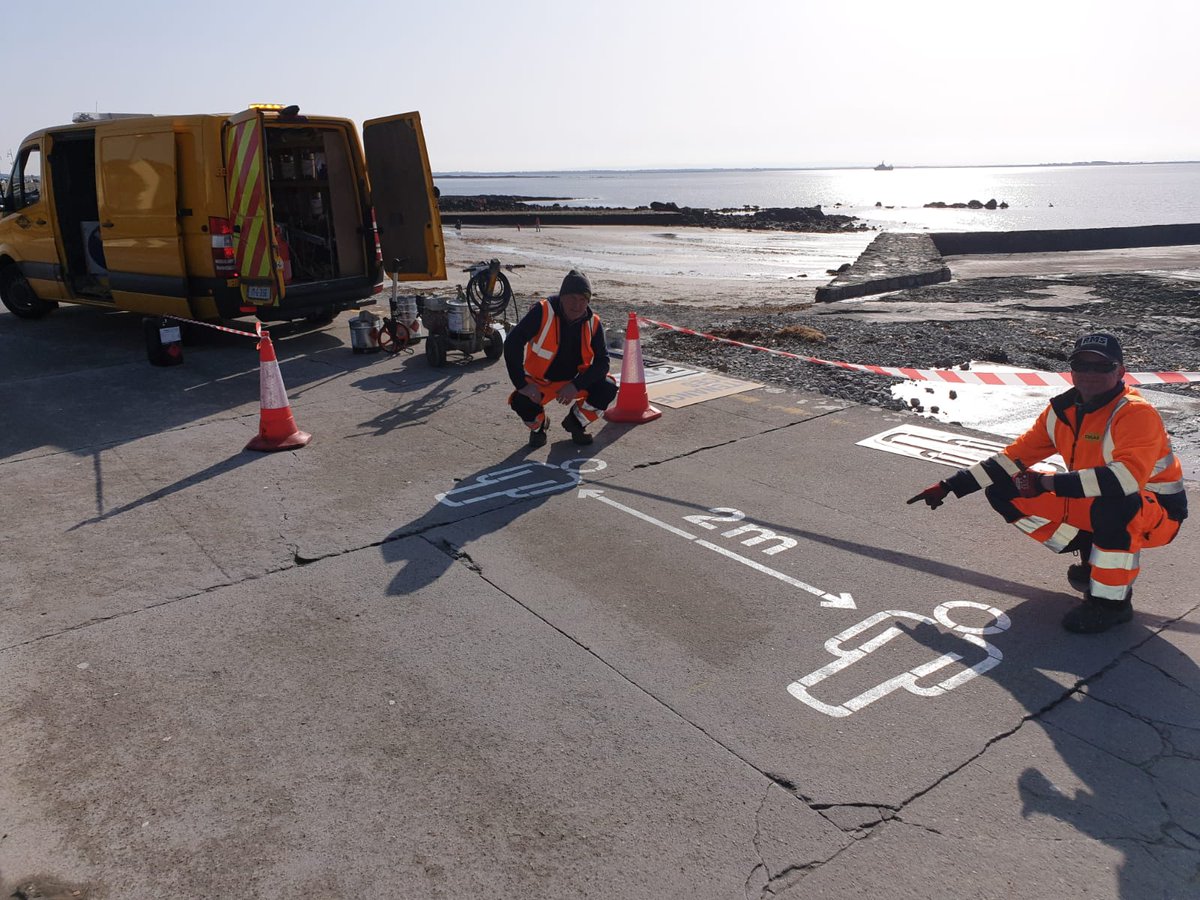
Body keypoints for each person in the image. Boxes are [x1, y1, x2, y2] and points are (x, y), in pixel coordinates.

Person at [907, 333, 1188, 634]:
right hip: (1097, 498)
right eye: (1082, 365)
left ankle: (1111, 605)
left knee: (1115, 505)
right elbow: (1010, 459)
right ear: (1072, 370)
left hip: (1155, 514)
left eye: (1101, 366)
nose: (1090, 373)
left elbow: (1124, 481)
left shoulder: (1134, 413)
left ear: (1120, 372)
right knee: (1003, 489)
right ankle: (1088, 548)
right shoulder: (1062, 412)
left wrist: (1044, 483)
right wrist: (950, 485)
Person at [504, 269, 617, 448]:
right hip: (540, 383)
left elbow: (603, 363)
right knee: (520, 401)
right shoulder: (543, 312)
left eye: (583, 300)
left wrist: (576, 385)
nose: (577, 305)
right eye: (572, 298)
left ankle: (576, 423)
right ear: (562, 297)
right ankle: (539, 427)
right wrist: (522, 385)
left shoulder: (593, 322)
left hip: (574, 381)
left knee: (607, 387)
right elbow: (512, 343)